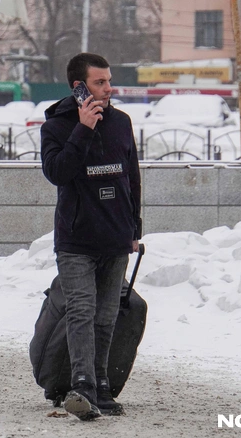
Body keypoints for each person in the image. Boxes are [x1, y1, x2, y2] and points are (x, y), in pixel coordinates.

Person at [40, 53, 142, 421]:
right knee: (80, 310)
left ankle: (100, 383)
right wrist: (82, 129)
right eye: (100, 83)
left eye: (109, 81)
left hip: (115, 236)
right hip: (76, 239)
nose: (108, 89)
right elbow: (57, 173)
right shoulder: (56, 126)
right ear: (78, 87)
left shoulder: (120, 122)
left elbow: (131, 177)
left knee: (106, 315)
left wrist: (134, 228)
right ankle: (80, 383)